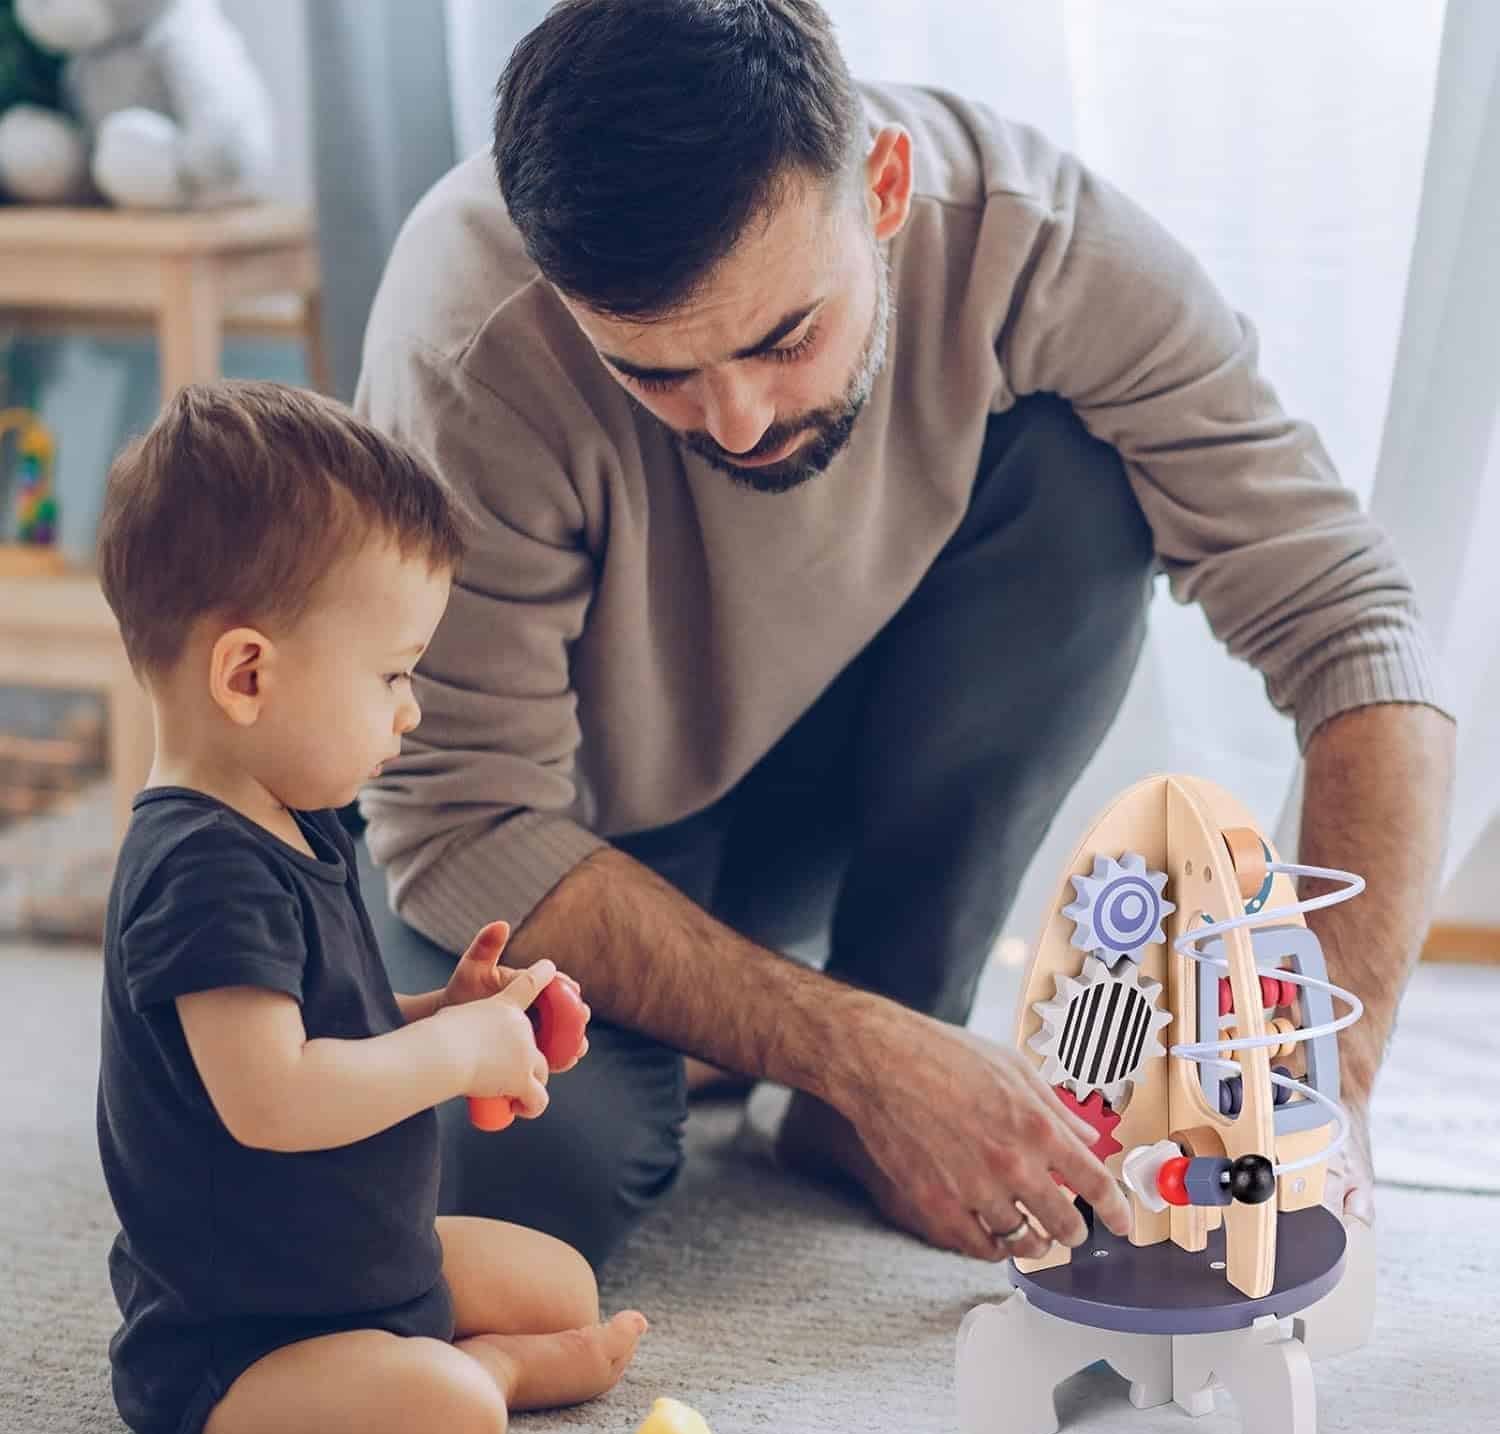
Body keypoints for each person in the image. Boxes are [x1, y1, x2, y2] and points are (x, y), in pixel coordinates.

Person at [354, 0, 1455, 1272]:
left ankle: (849, 1068)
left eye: (786, 337)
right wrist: (855, 1046)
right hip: (555, 850)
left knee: (1082, 478)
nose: (736, 420)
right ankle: (817, 1056)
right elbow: (460, 827)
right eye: (655, 372)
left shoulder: (1037, 241)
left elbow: (1357, 629)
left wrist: (1329, 1083)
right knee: (514, 1191)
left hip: (803, 801)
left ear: (883, 186)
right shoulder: (466, 332)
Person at [93, 381, 646, 1434]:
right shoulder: (199, 870)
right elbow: (274, 1097)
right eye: (392, 674)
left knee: (565, 1285)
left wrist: (451, 1012)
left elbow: (318, 1031)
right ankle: (475, 1371)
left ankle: (442, 1345)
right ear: (248, 675)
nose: (411, 711)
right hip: (244, 1332)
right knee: (448, 1426)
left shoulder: (291, 822)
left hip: (361, 1259)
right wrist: (454, 1059)